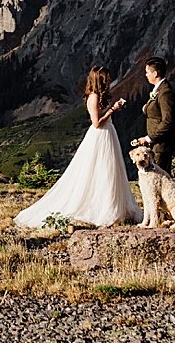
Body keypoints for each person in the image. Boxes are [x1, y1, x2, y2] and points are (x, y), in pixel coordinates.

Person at [15, 66, 140, 229]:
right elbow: (96, 123)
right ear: (100, 80)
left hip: (108, 134)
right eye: (106, 78)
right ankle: (103, 207)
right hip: (100, 136)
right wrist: (113, 109)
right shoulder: (93, 97)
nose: (109, 80)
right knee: (101, 170)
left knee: (110, 171)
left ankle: (112, 205)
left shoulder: (99, 96)